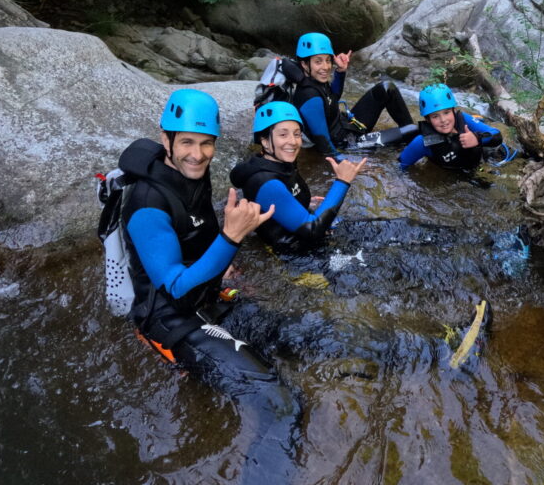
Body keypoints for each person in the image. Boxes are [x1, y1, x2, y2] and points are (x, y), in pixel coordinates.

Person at [120, 88, 281, 392]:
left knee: (303, 335)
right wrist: (232, 237)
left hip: (206, 293)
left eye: (207, 143)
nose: (198, 154)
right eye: (187, 142)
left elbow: (200, 233)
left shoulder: (194, 173)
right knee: (275, 397)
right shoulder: (147, 204)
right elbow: (177, 291)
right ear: (165, 140)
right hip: (170, 316)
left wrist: (223, 261)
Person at [230, 101, 367, 251]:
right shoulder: (265, 181)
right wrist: (342, 181)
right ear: (265, 142)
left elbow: (283, 195)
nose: (293, 142)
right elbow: (312, 229)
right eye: (283, 134)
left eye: (297, 134)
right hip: (294, 253)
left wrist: (301, 200)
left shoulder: (279, 163)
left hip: (301, 236)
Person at [291, 32, 417, 160]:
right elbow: (324, 143)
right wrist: (345, 162)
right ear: (304, 64)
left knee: (386, 88)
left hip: (348, 125)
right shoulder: (310, 97)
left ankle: (408, 138)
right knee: (413, 130)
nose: (325, 67)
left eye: (328, 60)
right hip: (347, 144)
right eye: (318, 62)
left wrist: (340, 71)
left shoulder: (315, 81)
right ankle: (409, 151)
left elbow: (333, 98)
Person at [399, 83, 505, 172]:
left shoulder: (464, 120)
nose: (443, 120)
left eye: (446, 112)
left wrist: (477, 138)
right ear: (428, 120)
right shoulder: (422, 143)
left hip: (477, 165)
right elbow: (400, 166)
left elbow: (497, 136)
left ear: (454, 111)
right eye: (435, 116)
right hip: (454, 175)